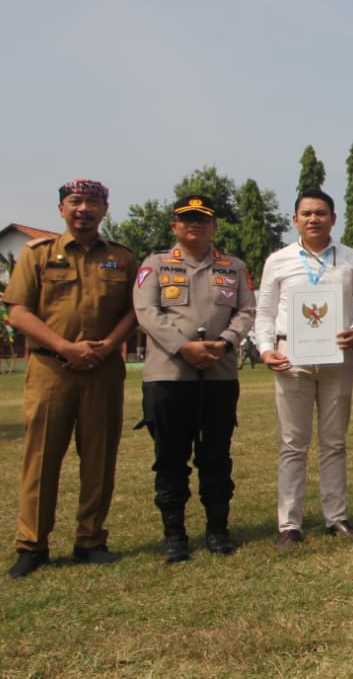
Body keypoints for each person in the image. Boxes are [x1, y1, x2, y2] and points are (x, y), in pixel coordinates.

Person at [2, 179, 137, 579]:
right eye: (75, 202)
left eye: (93, 203)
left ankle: (90, 539)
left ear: (104, 210)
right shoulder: (38, 254)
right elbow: (19, 312)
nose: (84, 209)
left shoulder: (121, 258)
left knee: (99, 456)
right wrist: (65, 347)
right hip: (51, 370)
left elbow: (136, 309)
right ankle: (32, 544)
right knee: (41, 458)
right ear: (62, 209)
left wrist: (109, 344)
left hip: (103, 370)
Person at [131, 195, 256, 562]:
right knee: (170, 456)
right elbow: (146, 311)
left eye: (203, 219)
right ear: (174, 227)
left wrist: (226, 342)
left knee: (216, 454)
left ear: (214, 226)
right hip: (168, 376)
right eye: (187, 219)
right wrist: (183, 347)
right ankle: (174, 535)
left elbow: (247, 310)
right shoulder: (154, 265)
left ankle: (218, 529)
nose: (195, 225)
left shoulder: (233, 267)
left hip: (219, 375)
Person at [255, 189, 353, 550]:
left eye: (321, 213)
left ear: (333, 219)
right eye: (306, 213)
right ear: (295, 220)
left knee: (334, 442)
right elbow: (264, 313)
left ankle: (336, 518)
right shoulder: (279, 260)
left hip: (337, 356)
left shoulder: (352, 260)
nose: (313, 219)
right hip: (291, 357)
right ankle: (289, 524)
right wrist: (266, 349)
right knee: (293, 442)